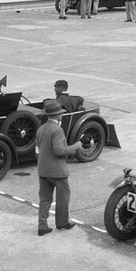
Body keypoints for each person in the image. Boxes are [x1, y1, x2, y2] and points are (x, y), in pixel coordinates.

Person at [35, 100, 87, 236]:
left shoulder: (41, 129)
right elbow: (59, 150)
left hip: (43, 169)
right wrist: (76, 147)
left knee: (45, 199)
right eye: (60, 114)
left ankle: (42, 226)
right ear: (57, 115)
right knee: (63, 197)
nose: (61, 116)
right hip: (58, 171)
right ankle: (62, 222)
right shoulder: (57, 130)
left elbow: (37, 149)